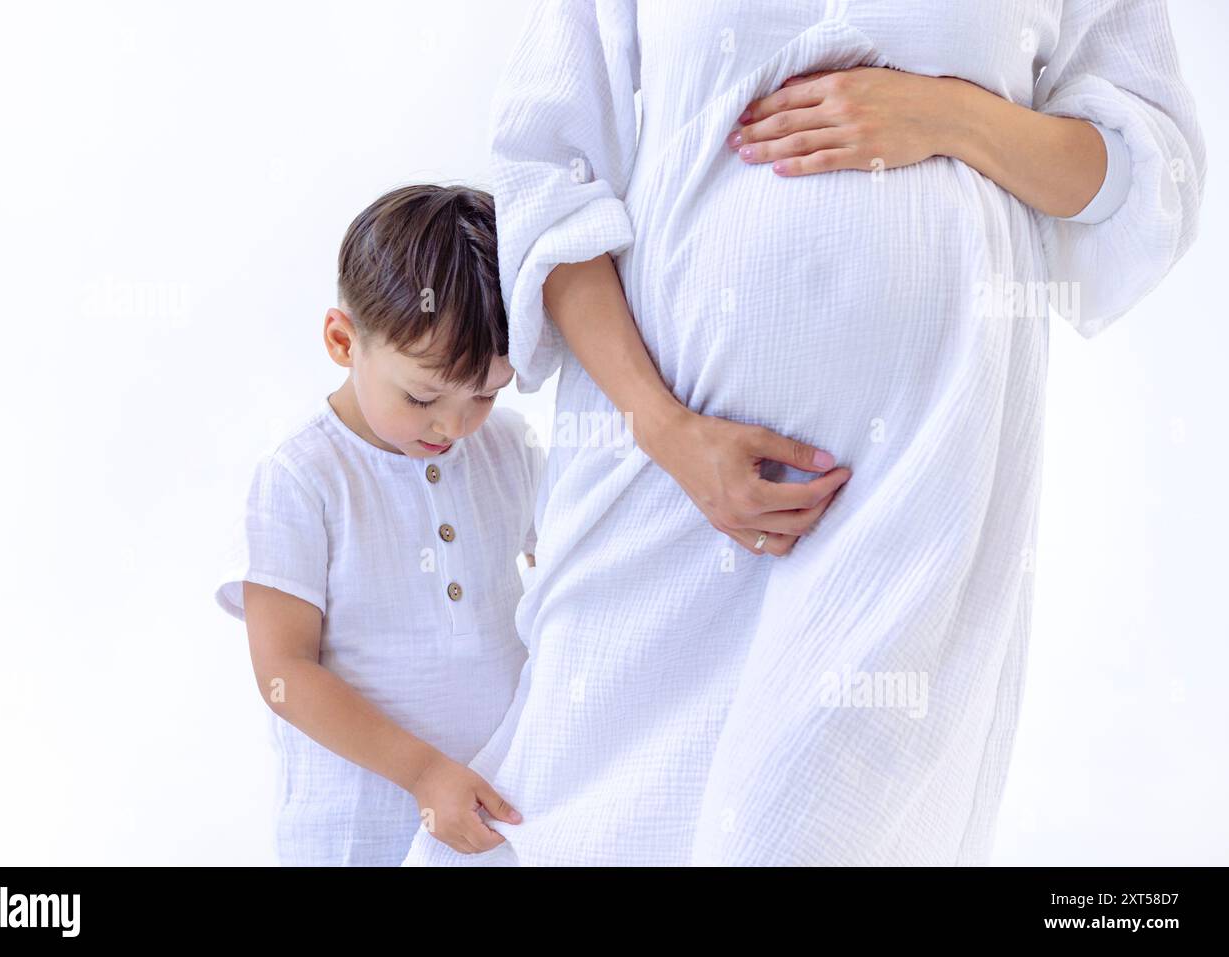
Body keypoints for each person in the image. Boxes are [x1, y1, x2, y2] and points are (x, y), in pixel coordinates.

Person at [399, 0, 1205, 865]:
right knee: (574, 821)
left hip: (917, 485)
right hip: (662, 468)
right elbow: (546, 176)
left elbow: (1145, 174)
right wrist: (667, 432)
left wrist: (950, 114)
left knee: (813, 831)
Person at [215, 184, 545, 865]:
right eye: (423, 394)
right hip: (356, 833)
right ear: (343, 340)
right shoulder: (302, 478)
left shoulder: (508, 447)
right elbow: (284, 672)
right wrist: (424, 773)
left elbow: (576, 573)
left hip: (495, 821)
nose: (453, 424)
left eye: (485, 392)